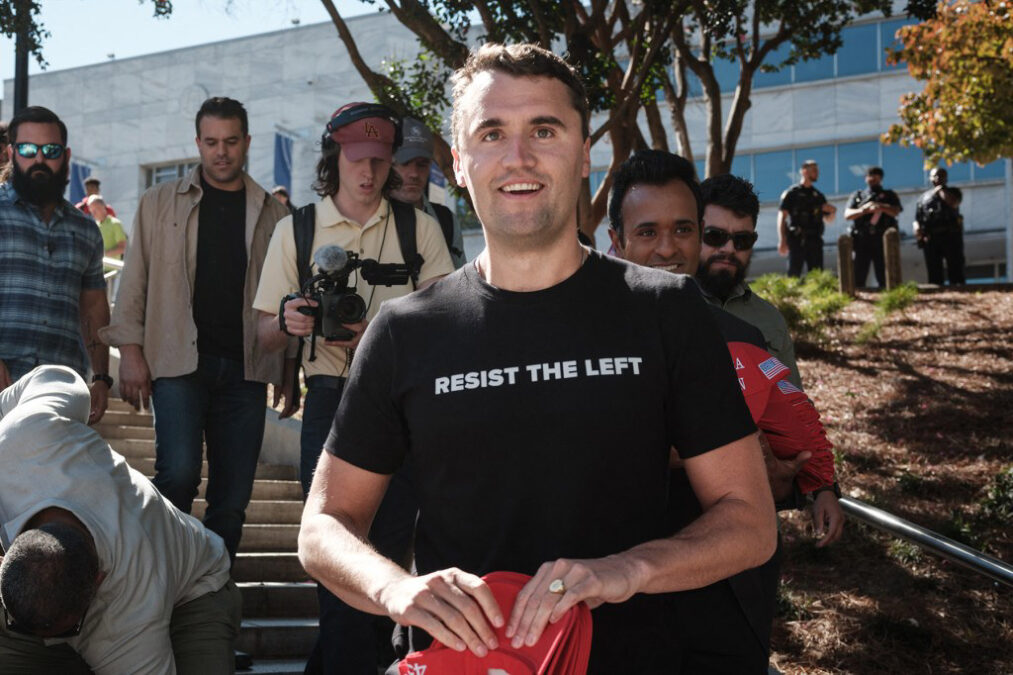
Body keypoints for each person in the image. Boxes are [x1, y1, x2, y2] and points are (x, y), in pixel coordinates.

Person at [298, 43, 776, 674]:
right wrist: (395, 589)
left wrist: (629, 569)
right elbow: (324, 526)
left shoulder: (666, 310)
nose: (518, 157)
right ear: (459, 163)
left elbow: (749, 521)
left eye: (544, 131)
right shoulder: (404, 331)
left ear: (584, 154)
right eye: (491, 133)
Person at [607, 149, 843, 671]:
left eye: (683, 230)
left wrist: (809, 481)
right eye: (647, 232)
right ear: (616, 241)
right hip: (610, 586)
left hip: (725, 585)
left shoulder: (747, 336)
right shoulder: (580, 334)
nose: (668, 247)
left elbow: (793, 426)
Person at [253, 102, 453, 673]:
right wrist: (289, 320)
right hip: (329, 399)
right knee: (336, 556)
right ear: (333, 157)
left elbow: (449, 322)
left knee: (387, 554)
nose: (369, 172)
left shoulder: (420, 227)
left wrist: (384, 336)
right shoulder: (297, 229)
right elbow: (263, 334)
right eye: (357, 159)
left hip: (402, 403)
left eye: (380, 160)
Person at [100, 97, 291, 563]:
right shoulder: (158, 201)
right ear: (198, 143)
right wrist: (130, 351)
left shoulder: (273, 214)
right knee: (178, 475)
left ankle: (213, 591)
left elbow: (286, 297)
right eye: (211, 142)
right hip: (177, 362)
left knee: (232, 498)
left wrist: (287, 370)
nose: (221, 152)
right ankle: (164, 582)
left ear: (247, 142)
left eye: (230, 141)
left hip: (246, 370)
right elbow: (135, 280)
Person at [0, 365, 240, 674]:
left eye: (69, 630)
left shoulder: (130, 608)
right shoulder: (27, 435)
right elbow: (53, 376)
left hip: (194, 592)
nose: (47, 640)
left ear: (98, 580)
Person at [0, 106, 111, 424]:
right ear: (12, 153)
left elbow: (94, 307)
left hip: (61, 392)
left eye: (50, 150)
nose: (39, 159)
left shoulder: (86, 230)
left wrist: (101, 377)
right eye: (27, 150)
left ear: (66, 156)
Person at [692, 173, 804, 388]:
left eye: (742, 240)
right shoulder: (665, 309)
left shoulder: (770, 319)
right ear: (693, 233)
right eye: (715, 236)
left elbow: (792, 401)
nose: (729, 249)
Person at [389, 116, 467, 268]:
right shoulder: (369, 218)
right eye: (405, 163)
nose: (414, 174)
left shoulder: (446, 221)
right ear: (388, 164)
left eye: (422, 165)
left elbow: (460, 276)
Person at [843, 166, 902, 289]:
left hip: (882, 239)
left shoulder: (889, 195)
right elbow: (847, 215)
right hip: (861, 240)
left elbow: (896, 211)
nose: (872, 179)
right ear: (865, 178)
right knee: (858, 274)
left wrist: (881, 207)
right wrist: (864, 210)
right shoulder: (858, 195)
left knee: (884, 274)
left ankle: (888, 296)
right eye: (870, 176)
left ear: (880, 178)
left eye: (875, 177)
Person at [778, 159, 836, 277]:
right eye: (814, 170)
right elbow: (782, 217)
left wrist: (832, 212)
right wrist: (782, 240)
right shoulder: (792, 193)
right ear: (804, 171)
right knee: (793, 275)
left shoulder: (818, 196)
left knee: (817, 276)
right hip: (797, 239)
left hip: (815, 240)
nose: (817, 173)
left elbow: (828, 220)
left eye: (817, 170)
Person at [914, 167, 965, 285]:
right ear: (930, 178)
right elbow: (918, 218)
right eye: (934, 176)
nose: (937, 178)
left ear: (946, 178)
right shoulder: (923, 197)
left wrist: (940, 189)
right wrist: (918, 231)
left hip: (950, 236)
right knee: (934, 271)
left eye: (940, 175)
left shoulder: (953, 192)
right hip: (931, 238)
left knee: (955, 268)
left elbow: (953, 203)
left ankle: (958, 290)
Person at [87, 195, 127, 266]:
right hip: (98, 269)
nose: (93, 213)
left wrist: (103, 254)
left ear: (103, 207)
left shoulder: (115, 224)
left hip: (113, 270)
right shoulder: (95, 226)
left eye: (95, 209)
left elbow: (123, 248)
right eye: (91, 211)